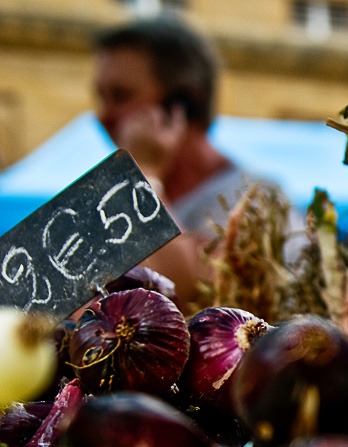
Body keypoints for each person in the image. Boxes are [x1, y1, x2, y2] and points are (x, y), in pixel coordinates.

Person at [93, 17, 279, 306]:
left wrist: (141, 174)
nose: (103, 116)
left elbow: (181, 298)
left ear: (182, 106)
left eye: (121, 96)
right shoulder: (118, 204)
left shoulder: (254, 200)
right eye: (101, 97)